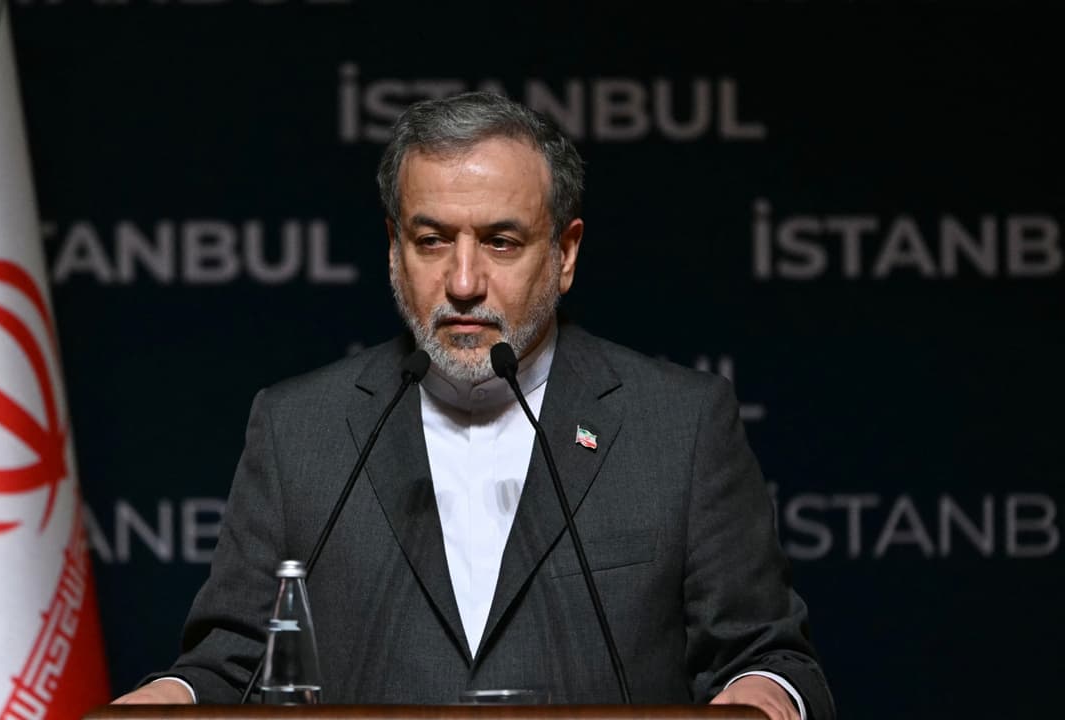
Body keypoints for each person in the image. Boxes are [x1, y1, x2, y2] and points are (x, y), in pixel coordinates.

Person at [114, 92, 834, 720]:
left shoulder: (679, 425)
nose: (463, 282)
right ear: (394, 250)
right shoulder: (298, 429)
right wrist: (166, 700)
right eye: (432, 241)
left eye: (500, 241)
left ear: (565, 253)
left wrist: (761, 699)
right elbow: (233, 664)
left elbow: (767, 657)